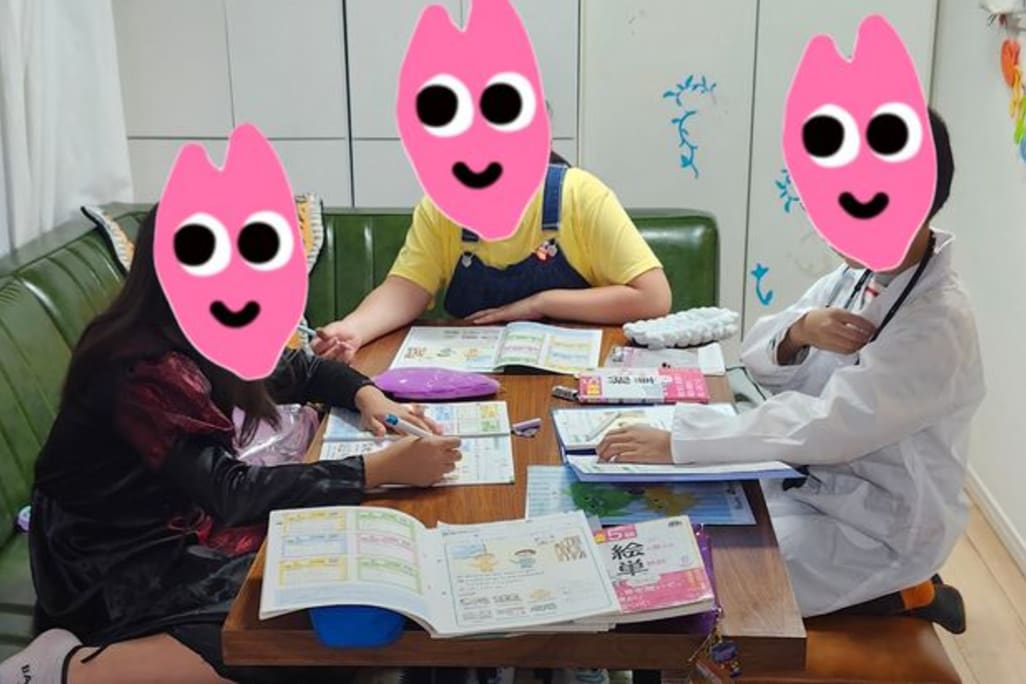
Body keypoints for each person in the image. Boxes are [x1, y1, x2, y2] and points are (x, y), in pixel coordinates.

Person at [0, 206, 462, 684]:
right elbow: (232, 492)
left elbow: (300, 371)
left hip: (178, 521)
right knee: (298, 642)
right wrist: (377, 469)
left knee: (336, 609)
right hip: (105, 559)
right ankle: (68, 669)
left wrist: (370, 397)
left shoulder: (204, 329)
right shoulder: (144, 367)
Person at [595, 108, 984, 631]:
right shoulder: (859, 275)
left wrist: (678, 442)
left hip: (874, 530)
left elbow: (828, 426)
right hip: (810, 488)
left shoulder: (937, 322)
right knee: (659, 527)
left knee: (688, 574)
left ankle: (907, 594)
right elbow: (759, 356)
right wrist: (800, 330)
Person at [312, 164, 672, 362]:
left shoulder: (581, 196)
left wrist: (541, 303)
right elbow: (407, 287)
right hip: (472, 375)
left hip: (578, 375)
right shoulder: (441, 206)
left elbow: (653, 298)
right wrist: (354, 328)